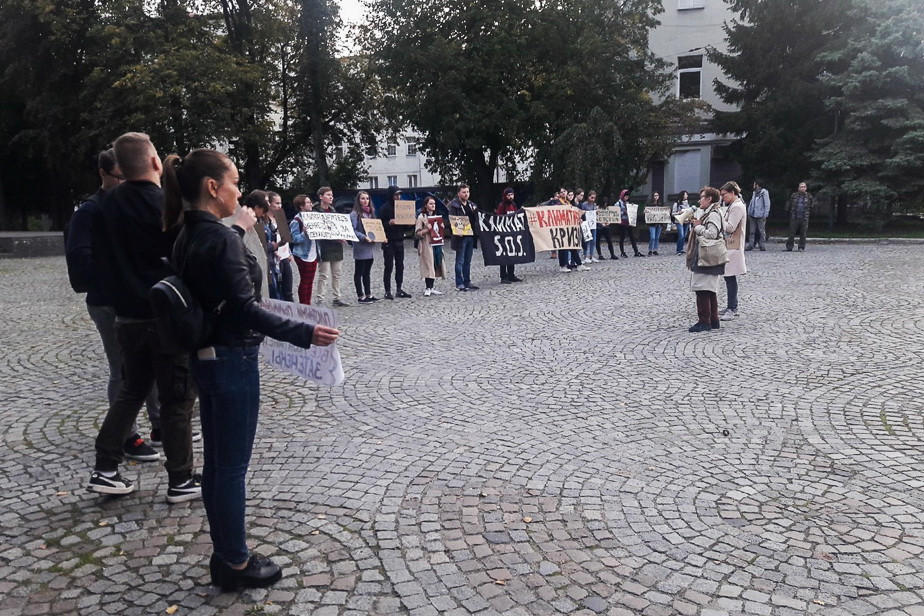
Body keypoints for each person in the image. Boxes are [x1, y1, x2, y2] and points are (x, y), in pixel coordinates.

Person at [162, 148, 340, 592]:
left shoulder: (187, 234)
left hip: (206, 357)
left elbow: (219, 286)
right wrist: (304, 332)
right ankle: (236, 562)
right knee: (230, 468)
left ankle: (226, 552)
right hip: (232, 360)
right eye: (235, 184)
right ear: (213, 187)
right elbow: (245, 308)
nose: (240, 193)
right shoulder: (219, 239)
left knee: (217, 465)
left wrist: (239, 231)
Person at [86, 132, 200, 503]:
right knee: (176, 400)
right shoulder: (164, 204)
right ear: (154, 162)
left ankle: (105, 468)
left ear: (119, 167)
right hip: (164, 314)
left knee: (132, 390)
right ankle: (181, 479)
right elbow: (185, 256)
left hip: (125, 316)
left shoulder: (103, 204)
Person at [65, 148, 161, 459]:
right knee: (122, 370)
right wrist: (113, 275)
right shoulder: (91, 210)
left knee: (149, 364)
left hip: (132, 297)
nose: (124, 182)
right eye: (119, 177)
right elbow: (79, 259)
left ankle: (159, 424)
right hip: (108, 300)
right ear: (103, 174)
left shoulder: (127, 204)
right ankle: (125, 436)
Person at [686, 187, 726, 332]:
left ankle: (704, 321)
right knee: (709, 289)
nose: (699, 200)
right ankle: (713, 319)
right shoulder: (712, 212)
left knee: (702, 288)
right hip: (710, 255)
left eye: (702, 197)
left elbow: (712, 234)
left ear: (709, 199)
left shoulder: (713, 214)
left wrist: (698, 228)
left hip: (707, 256)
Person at [314, 186, 350, 307]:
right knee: (323, 274)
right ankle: (320, 299)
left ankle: (337, 297)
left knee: (337, 274)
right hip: (324, 246)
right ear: (321, 197)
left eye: (332, 195)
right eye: (328, 195)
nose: (331, 197)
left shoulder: (333, 211)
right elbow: (321, 231)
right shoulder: (315, 212)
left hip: (336, 247)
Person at [377, 186, 413, 299]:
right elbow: (379, 225)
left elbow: (405, 227)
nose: (398, 197)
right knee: (388, 266)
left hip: (399, 240)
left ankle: (399, 289)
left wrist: (410, 224)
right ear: (391, 195)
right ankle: (387, 291)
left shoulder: (402, 208)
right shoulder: (384, 208)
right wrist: (389, 223)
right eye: (396, 195)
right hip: (388, 241)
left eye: (399, 195)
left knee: (400, 266)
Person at [719, 182, 747, 320]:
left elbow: (730, 227)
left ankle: (732, 308)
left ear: (732, 193)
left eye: (724, 194)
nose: (723, 197)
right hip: (731, 245)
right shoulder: (734, 205)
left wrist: (719, 218)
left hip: (733, 246)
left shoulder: (737, 207)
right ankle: (731, 305)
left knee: (730, 277)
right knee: (729, 277)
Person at [244, 191, 280, 300]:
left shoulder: (261, 221)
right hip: (258, 265)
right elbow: (252, 246)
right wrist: (272, 246)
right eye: (266, 201)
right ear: (256, 207)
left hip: (269, 262)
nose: (268, 204)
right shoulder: (248, 223)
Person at [448, 184, 480, 291]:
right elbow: (452, 219)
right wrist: (457, 231)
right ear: (458, 193)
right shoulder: (454, 205)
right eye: (464, 192)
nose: (466, 194)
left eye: (467, 192)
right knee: (460, 261)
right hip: (460, 237)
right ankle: (459, 283)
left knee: (467, 261)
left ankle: (467, 281)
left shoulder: (471, 205)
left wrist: (476, 211)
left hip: (471, 235)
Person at [288, 194, 318, 305]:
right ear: (301, 206)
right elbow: (294, 239)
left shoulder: (313, 218)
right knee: (305, 281)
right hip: (302, 254)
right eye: (308, 202)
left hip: (313, 252)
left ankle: (307, 304)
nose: (311, 204)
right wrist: (304, 233)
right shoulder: (297, 221)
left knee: (310, 282)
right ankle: (304, 305)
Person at [350, 191, 379, 303]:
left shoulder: (371, 213)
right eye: (363, 198)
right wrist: (363, 237)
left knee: (367, 272)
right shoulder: (355, 214)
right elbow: (353, 230)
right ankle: (360, 295)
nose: (365, 201)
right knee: (359, 272)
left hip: (369, 247)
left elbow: (376, 228)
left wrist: (381, 237)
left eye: (367, 198)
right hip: (361, 246)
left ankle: (368, 294)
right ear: (358, 200)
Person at [266, 191, 294, 302]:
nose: (279, 206)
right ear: (269, 204)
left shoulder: (280, 217)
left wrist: (289, 253)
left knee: (288, 290)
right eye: (277, 203)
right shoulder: (264, 220)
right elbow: (265, 241)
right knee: (276, 289)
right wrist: (274, 250)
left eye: (280, 203)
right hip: (274, 258)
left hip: (284, 256)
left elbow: (285, 238)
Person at [415, 196, 446, 296]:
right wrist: (427, 230)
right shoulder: (421, 217)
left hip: (436, 243)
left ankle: (431, 287)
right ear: (426, 205)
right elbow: (417, 233)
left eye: (434, 204)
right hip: (426, 243)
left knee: (435, 264)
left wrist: (441, 227)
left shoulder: (436, 216)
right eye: (430, 204)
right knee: (428, 264)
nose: (433, 205)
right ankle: (427, 287)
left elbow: (439, 231)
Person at [496, 188, 523, 283]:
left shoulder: (513, 205)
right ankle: (503, 276)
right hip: (504, 234)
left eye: (512, 195)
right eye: (509, 195)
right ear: (505, 196)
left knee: (512, 254)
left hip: (512, 233)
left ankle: (511, 274)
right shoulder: (502, 206)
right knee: (504, 256)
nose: (511, 197)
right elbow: (499, 219)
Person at [786, 181, 814, 251]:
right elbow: (790, 204)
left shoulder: (809, 196)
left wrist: (808, 213)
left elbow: (811, 205)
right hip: (794, 217)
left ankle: (801, 247)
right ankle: (789, 247)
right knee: (791, 233)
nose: (803, 188)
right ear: (799, 188)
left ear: (806, 188)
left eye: (804, 187)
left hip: (804, 217)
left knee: (803, 233)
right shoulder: (794, 195)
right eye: (801, 187)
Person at [616, 189, 644, 257]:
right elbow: (615, 213)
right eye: (626, 197)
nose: (626, 198)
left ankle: (636, 251)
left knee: (632, 237)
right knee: (622, 237)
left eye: (627, 197)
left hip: (628, 222)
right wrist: (623, 212)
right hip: (622, 222)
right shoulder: (618, 203)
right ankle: (622, 252)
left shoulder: (627, 203)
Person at [746, 180, 771, 251]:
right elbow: (752, 203)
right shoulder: (754, 193)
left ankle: (761, 244)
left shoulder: (764, 193)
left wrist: (765, 214)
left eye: (755, 185)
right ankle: (751, 244)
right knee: (752, 231)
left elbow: (767, 204)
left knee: (761, 231)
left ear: (758, 185)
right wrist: (749, 212)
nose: (753, 186)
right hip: (752, 215)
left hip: (761, 215)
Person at [595, 196, 618, 260]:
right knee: (598, 241)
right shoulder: (597, 208)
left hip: (606, 227)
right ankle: (600, 254)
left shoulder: (607, 208)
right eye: (604, 203)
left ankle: (612, 254)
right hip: (599, 227)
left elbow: (610, 216)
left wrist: (609, 222)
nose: (605, 204)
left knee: (609, 241)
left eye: (606, 203)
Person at [580, 190, 599, 263]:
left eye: (594, 198)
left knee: (593, 241)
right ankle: (585, 256)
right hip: (586, 224)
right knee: (587, 240)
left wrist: (596, 212)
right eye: (592, 197)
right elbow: (582, 213)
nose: (593, 199)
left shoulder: (594, 205)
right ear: (588, 197)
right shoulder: (584, 204)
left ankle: (592, 255)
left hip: (593, 225)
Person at [672, 190, 691, 255]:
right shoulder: (676, 203)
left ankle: (681, 248)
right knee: (681, 235)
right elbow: (673, 213)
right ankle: (678, 249)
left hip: (686, 221)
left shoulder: (687, 203)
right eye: (685, 194)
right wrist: (679, 212)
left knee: (684, 235)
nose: (686, 196)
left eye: (687, 194)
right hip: (679, 221)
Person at [646, 191, 664, 255]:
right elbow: (646, 211)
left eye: (657, 195)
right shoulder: (649, 204)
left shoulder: (661, 203)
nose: (656, 197)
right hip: (652, 223)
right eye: (655, 195)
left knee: (657, 237)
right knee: (652, 237)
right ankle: (650, 249)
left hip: (659, 223)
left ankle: (655, 249)